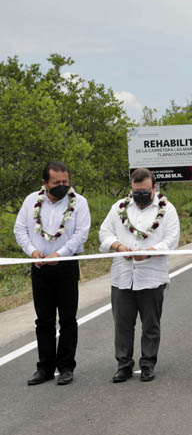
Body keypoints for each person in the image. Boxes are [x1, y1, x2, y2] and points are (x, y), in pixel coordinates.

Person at [99, 168, 180, 383]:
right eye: (136, 192)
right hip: (122, 276)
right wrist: (118, 246)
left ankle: (147, 364)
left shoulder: (167, 210)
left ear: (154, 187)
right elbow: (104, 233)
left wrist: (150, 253)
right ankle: (123, 365)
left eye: (144, 191)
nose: (140, 195)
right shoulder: (119, 208)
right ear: (131, 189)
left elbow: (172, 239)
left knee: (150, 324)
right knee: (122, 324)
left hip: (152, 277)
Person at [13, 161, 90, 386]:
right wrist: (32, 251)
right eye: (57, 182)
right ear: (44, 183)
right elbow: (20, 229)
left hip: (66, 266)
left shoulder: (79, 202)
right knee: (44, 320)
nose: (62, 186)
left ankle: (66, 367)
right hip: (39, 268)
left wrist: (61, 253)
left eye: (65, 182)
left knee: (67, 319)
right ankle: (44, 368)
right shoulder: (31, 201)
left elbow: (81, 233)